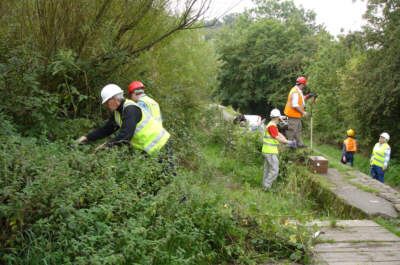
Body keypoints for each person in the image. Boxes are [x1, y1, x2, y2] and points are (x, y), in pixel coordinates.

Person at [76, 84, 170, 156]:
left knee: (167, 179)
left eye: (106, 102)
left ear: (114, 99)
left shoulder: (130, 109)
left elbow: (125, 136)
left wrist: (106, 146)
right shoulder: (117, 113)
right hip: (148, 150)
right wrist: (86, 138)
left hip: (161, 145)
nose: (105, 105)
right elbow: (106, 130)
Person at [262, 108, 297, 191]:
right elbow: (277, 137)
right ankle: (266, 187)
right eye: (279, 118)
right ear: (277, 117)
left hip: (267, 151)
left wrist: (287, 141)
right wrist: (289, 142)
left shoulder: (272, 125)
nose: (280, 120)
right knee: (275, 170)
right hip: (270, 152)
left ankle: (264, 186)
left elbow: (279, 134)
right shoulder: (271, 126)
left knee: (267, 170)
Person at [283, 76, 309, 148]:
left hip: (296, 115)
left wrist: (307, 96)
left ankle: (299, 144)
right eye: (304, 85)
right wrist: (303, 112)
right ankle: (290, 145)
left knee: (298, 130)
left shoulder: (296, 90)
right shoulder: (295, 92)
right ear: (302, 84)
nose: (304, 86)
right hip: (293, 115)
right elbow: (295, 105)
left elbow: (300, 98)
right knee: (292, 131)